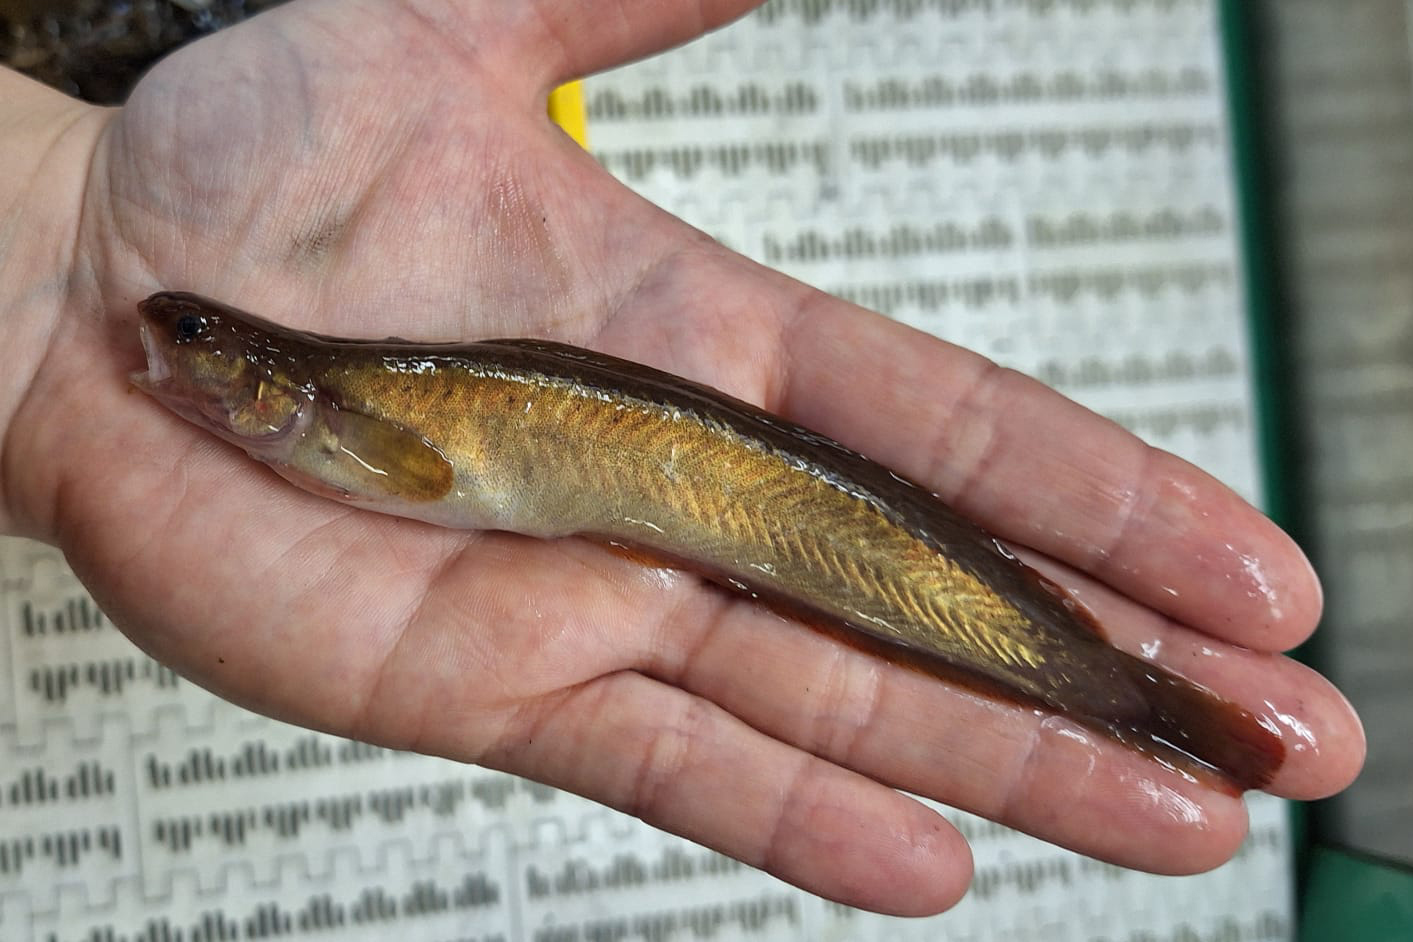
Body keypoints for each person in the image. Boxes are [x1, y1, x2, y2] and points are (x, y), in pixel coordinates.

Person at [0, 0, 1363, 917]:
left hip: (740, 490)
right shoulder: (313, 404)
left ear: (257, 375)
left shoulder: (328, 405)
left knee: (911, 599)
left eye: (194, 335)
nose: (172, 340)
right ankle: (1126, 693)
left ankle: (1124, 692)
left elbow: (416, 475)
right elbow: (415, 477)